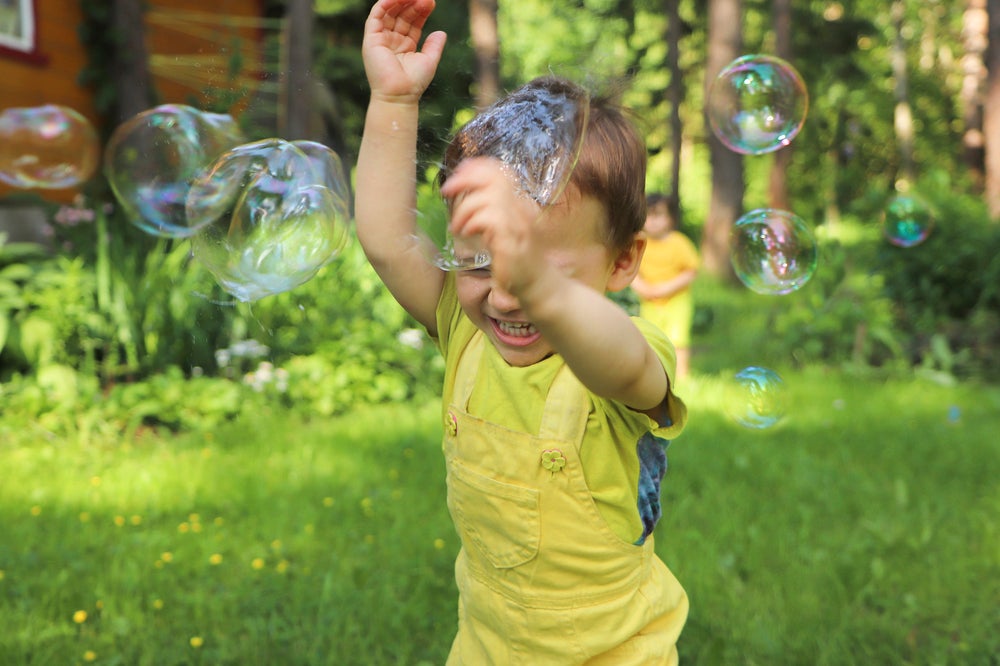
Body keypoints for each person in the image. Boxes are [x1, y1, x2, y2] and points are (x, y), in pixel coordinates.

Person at [357, 1, 689, 662]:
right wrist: (393, 99)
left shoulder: (621, 357)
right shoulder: (466, 327)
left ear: (623, 262)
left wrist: (540, 283)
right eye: (479, 261)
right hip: (486, 647)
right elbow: (390, 244)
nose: (507, 294)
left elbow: (618, 360)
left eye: (540, 272)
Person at [631, 194, 700, 379]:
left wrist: (666, 289)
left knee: (678, 340)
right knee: (651, 338)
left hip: (676, 300)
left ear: (670, 219)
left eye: (659, 215)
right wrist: (644, 288)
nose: (653, 221)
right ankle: (656, 375)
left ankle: (682, 376)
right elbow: (631, 272)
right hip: (650, 301)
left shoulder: (678, 243)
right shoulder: (639, 244)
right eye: (649, 215)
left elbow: (691, 272)